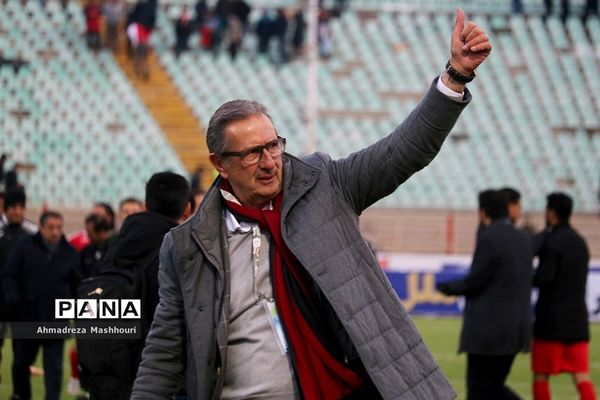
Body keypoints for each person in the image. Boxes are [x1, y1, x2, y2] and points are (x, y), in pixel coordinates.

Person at [131, 9, 491, 399]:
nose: (269, 162)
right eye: (252, 153)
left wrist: (455, 76)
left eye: (273, 145)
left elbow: (402, 152)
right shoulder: (186, 245)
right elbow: (165, 351)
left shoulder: (324, 184)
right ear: (220, 164)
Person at [80, 172, 190, 400]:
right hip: (157, 376)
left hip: (110, 375)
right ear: (187, 209)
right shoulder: (180, 251)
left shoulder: (116, 246)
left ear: (146, 206)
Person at [436, 189, 532, 400]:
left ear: (482, 212)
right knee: (495, 388)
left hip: (489, 331)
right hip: (516, 329)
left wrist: (449, 287)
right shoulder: (524, 238)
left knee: (479, 389)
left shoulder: (490, 238)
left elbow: (477, 280)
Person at [2, 210, 81, 400]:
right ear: (41, 227)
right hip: (28, 318)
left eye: (59, 228)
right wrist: (13, 299)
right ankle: (20, 395)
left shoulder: (69, 253)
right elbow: (9, 274)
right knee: (21, 364)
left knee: (54, 370)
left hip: (56, 321)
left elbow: (78, 284)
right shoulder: (24, 247)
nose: (55, 232)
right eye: (51, 227)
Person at [531, 193, 597, 400]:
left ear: (551, 213)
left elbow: (544, 277)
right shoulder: (580, 242)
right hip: (578, 322)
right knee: (581, 376)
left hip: (551, 322)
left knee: (541, 376)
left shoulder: (552, 242)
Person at [0, 188, 37, 373]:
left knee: (22, 354)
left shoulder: (33, 232)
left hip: (23, 303)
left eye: (21, 207)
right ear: (5, 208)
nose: (17, 211)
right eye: (13, 207)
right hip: (0, 301)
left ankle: (20, 389)